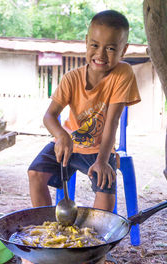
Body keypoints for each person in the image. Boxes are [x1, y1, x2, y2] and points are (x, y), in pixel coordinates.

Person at [28, 10, 141, 212]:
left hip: (100, 148)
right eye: (95, 45)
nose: (100, 54)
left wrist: (102, 161)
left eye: (111, 48)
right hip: (68, 144)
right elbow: (49, 116)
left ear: (124, 50)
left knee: (105, 185)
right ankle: (49, 229)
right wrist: (61, 135)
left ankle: (97, 238)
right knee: (35, 173)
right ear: (87, 42)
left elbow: (112, 121)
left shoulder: (122, 73)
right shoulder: (71, 78)